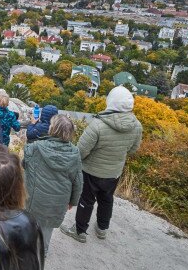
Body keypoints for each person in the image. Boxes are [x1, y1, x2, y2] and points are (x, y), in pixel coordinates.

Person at [61, 86, 142, 242]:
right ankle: (102, 229)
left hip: (92, 171)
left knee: (86, 200)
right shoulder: (136, 125)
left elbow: (81, 151)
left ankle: (79, 231)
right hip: (114, 172)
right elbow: (133, 149)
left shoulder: (98, 125)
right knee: (107, 199)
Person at [23, 114, 82, 256]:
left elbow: (23, 164)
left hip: (34, 197)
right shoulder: (75, 153)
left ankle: (25, 250)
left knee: (29, 224)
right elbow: (77, 181)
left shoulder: (35, 147)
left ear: (52, 129)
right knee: (47, 227)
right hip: (58, 202)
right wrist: (72, 202)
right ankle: (43, 251)